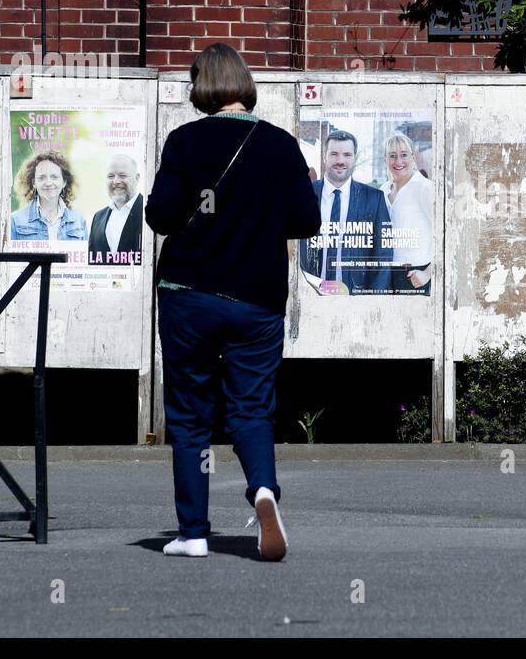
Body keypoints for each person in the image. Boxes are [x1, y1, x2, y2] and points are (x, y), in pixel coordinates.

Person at [146, 42, 320, 560]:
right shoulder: (281, 145)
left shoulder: (184, 142)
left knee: (189, 414)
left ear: (201, 86)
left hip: (189, 297)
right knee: (251, 409)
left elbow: (161, 217)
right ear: (244, 85)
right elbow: (305, 222)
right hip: (258, 300)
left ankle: (193, 533)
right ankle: (264, 490)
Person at [298, 129, 393, 294]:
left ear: (354, 158)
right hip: (310, 294)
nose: (340, 160)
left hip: (356, 297)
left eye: (347, 155)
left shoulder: (374, 198)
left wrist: (373, 301)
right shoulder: (302, 194)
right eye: (334, 154)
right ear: (324, 157)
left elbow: (383, 256)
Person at [381, 131, 433, 294]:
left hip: (415, 275)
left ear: (413, 157)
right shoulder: (383, 190)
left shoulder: (425, 187)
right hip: (386, 275)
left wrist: (428, 273)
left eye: (404, 155)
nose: (398, 161)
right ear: (385, 159)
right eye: (392, 156)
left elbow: (448, 235)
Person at [9, 151, 89, 242]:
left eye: (54, 177)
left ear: (64, 182)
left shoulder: (79, 221)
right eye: (42, 177)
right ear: (34, 183)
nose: (48, 183)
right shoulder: (15, 221)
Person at [88, 153, 143, 265]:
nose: (116, 181)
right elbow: (92, 262)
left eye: (122, 175)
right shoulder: (98, 217)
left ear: (136, 178)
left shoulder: (149, 212)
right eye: (111, 176)